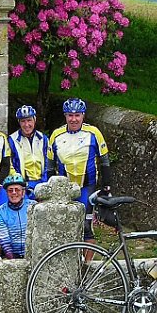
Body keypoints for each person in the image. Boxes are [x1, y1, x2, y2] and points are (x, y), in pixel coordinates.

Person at [47, 98, 112, 246]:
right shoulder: (56, 135)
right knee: (64, 225)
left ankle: (87, 265)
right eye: (70, 115)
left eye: (77, 115)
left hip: (87, 186)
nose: (74, 119)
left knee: (85, 226)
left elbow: (105, 162)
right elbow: (50, 167)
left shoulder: (94, 133)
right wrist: (51, 189)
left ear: (83, 115)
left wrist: (106, 186)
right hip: (65, 188)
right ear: (65, 116)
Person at [8, 105, 49, 194]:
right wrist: (21, 183)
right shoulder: (12, 140)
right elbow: (10, 164)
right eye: (23, 121)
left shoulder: (43, 138)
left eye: (29, 120)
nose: (26, 125)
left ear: (34, 120)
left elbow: (48, 161)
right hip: (23, 184)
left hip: (42, 182)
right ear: (19, 122)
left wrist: (44, 182)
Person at [0, 174, 33, 259]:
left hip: (33, 253)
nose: (14, 193)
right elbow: (3, 238)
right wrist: (12, 260)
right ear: (6, 193)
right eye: (10, 190)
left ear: (23, 192)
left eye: (17, 190)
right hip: (12, 255)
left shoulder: (33, 206)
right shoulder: (0, 212)